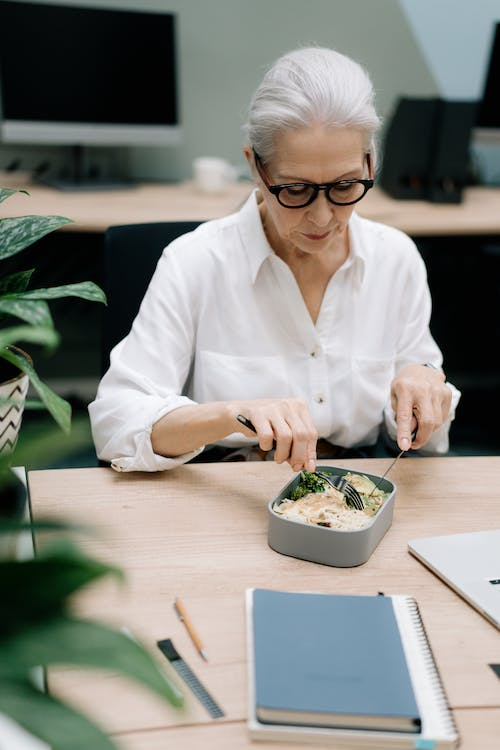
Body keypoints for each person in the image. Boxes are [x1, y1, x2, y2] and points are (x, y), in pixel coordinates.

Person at [89, 46, 460, 473]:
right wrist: (229, 415)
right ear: (255, 167)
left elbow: (421, 425)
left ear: (370, 162)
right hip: (228, 485)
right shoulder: (196, 262)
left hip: (355, 489)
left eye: (345, 186)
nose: (322, 217)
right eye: (296, 190)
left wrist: (425, 384)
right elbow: (116, 423)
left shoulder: (395, 259)